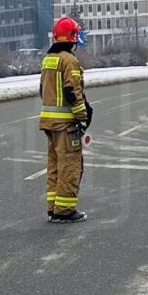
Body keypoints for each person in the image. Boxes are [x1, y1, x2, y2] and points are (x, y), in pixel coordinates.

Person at [39, 17, 91, 223]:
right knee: (70, 165)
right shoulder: (70, 61)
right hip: (66, 124)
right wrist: (82, 117)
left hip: (49, 122)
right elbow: (72, 91)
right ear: (72, 38)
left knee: (54, 166)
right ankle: (65, 210)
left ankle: (53, 208)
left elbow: (42, 90)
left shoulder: (48, 59)